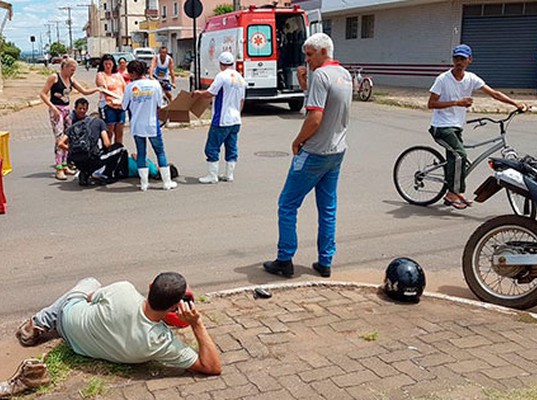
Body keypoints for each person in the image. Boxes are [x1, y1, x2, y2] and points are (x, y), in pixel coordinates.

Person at [263, 33, 352, 279]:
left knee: (287, 205)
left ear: (324, 52)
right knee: (328, 208)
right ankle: (325, 260)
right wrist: (305, 84)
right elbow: (328, 106)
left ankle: (285, 259)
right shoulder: (343, 75)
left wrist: (298, 140)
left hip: (314, 151)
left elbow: (315, 117)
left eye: (310, 54)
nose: (307, 59)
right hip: (337, 150)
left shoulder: (322, 75)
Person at [15, 272, 222, 375]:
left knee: (90, 283)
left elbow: (89, 297)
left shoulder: (123, 290)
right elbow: (212, 367)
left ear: (150, 287)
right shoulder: (161, 342)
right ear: (176, 307)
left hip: (68, 322)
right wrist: (197, 324)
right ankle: (41, 321)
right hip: (81, 348)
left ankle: (39, 322)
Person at [427, 44, 526, 210]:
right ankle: (453, 194)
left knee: (459, 160)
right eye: (456, 58)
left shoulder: (471, 78)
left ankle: (452, 188)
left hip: (456, 127)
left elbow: (494, 93)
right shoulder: (443, 79)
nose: (459, 62)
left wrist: (516, 103)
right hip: (441, 128)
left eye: (463, 59)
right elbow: (431, 104)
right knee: (460, 154)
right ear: (453, 60)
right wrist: (457, 102)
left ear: (469, 60)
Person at [40, 57, 100, 180]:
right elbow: (43, 94)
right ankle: (58, 168)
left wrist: (98, 89)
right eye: (71, 69)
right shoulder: (54, 77)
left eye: (74, 70)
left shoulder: (71, 79)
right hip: (56, 110)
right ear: (65, 67)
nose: (73, 72)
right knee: (59, 139)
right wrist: (53, 108)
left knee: (69, 137)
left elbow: (84, 91)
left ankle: (65, 164)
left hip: (67, 110)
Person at [122, 60, 177, 191]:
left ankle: (144, 184)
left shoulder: (130, 87)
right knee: (160, 152)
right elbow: (159, 104)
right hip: (152, 124)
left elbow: (124, 106)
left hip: (137, 125)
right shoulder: (155, 84)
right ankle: (166, 182)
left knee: (141, 153)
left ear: (134, 73)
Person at [192, 51, 246, 184]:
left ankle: (212, 176)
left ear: (221, 63)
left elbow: (211, 92)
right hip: (235, 119)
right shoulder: (240, 78)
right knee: (231, 147)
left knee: (212, 147)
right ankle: (229, 174)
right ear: (232, 63)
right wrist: (238, 113)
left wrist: (199, 93)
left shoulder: (221, 76)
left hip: (222, 119)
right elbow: (242, 100)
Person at [58, 98, 128, 186]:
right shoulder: (100, 122)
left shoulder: (75, 125)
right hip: (92, 159)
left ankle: (84, 173)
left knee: (87, 157)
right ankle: (107, 175)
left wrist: (72, 149)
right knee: (120, 148)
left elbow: (60, 143)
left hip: (76, 160)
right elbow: (107, 144)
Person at [96, 54, 127, 144]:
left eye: (110, 64)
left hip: (120, 106)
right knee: (109, 133)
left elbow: (124, 88)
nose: (108, 66)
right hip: (108, 106)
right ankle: (107, 153)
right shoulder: (101, 75)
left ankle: (118, 153)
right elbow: (104, 89)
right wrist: (116, 97)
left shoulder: (118, 75)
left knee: (119, 133)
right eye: (106, 64)